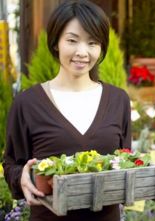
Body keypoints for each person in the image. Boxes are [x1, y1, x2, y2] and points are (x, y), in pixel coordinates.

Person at [3, 0, 131, 220]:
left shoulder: (118, 100)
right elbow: (12, 163)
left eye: (92, 43)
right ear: (56, 43)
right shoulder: (28, 103)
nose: (82, 52)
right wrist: (21, 176)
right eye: (72, 40)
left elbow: (124, 158)